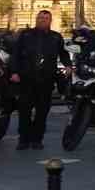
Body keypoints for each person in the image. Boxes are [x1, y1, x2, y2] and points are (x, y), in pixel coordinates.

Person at [10, 10, 69, 150]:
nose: (43, 20)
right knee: (24, 110)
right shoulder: (26, 35)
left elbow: (63, 53)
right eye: (40, 17)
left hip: (46, 79)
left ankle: (37, 139)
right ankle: (23, 139)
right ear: (36, 19)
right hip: (26, 78)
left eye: (46, 18)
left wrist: (68, 65)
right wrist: (14, 72)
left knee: (42, 111)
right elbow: (16, 54)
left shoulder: (56, 37)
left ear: (50, 20)